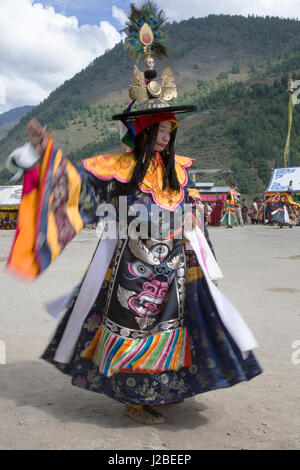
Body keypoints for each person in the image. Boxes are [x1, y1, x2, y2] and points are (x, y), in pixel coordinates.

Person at [6, 2, 261, 425]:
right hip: (132, 270)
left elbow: (191, 208)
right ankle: (134, 397)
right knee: (134, 328)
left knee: (179, 329)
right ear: (141, 134)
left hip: (177, 268)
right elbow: (77, 188)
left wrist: (194, 224)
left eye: (168, 131)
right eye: (157, 131)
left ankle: (164, 388)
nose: (163, 137)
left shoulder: (179, 170)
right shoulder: (119, 170)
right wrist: (45, 154)